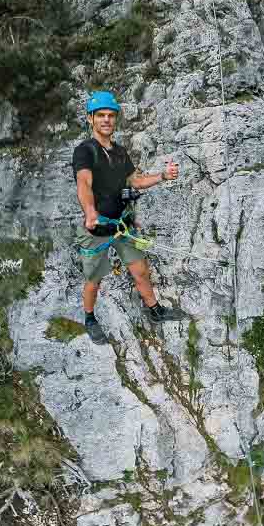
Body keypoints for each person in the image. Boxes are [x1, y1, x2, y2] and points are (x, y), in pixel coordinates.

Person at [72, 91, 184, 344]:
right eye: (101, 115)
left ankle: (155, 310)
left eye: (111, 115)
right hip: (97, 227)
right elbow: (84, 182)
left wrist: (162, 176)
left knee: (140, 269)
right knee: (93, 279)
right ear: (91, 118)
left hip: (121, 224)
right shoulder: (85, 151)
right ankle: (89, 318)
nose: (106, 120)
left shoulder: (120, 152)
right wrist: (90, 212)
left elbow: (135, 181)